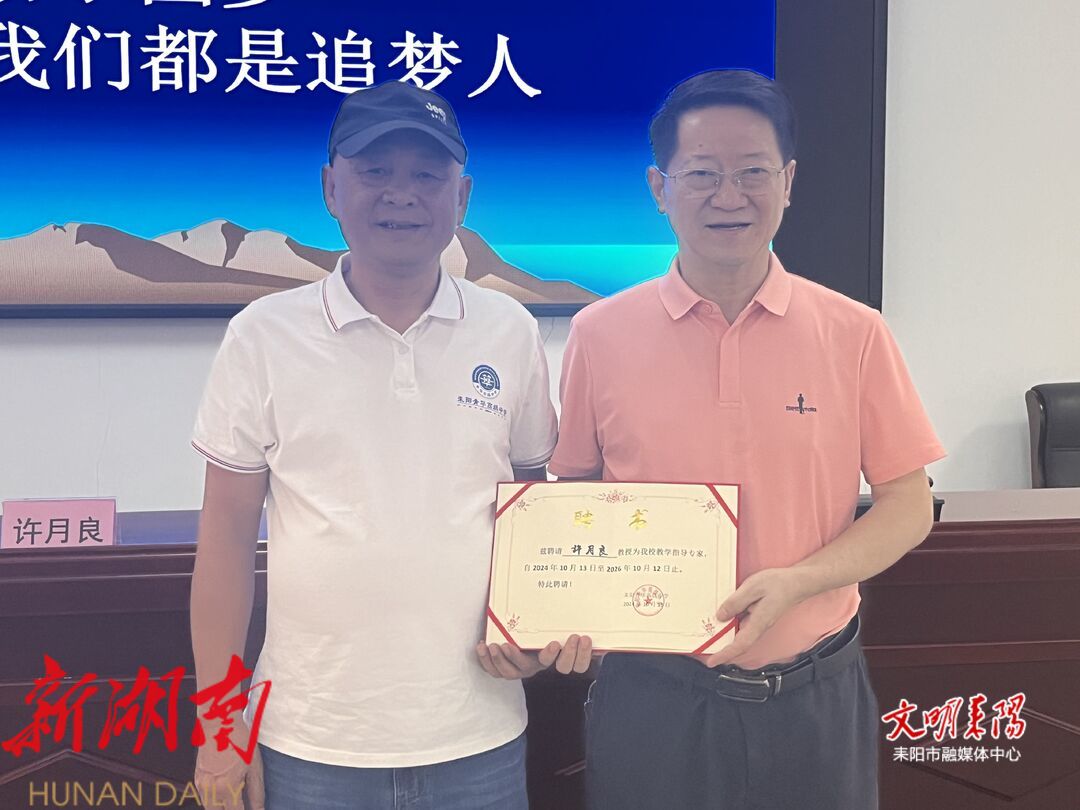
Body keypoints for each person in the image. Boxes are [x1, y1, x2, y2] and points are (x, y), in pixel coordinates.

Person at [545, 70, 946, 809]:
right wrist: (566, 606)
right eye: (701, 173)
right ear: (659, 188)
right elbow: (574, 496)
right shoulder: (599, 335)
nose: (728, 196)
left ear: (788, 182)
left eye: (753, 172)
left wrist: (797, 581)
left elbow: (908, 504)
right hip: (653, 698)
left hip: (812, 693)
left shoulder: (854, 332)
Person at [188, 80, 564, 810]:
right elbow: (226, 537)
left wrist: (534, 622)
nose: (402, 194)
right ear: (331, 188)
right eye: (375, 171)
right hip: (310, 740)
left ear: (462, 197)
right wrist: (221, 730)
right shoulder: (263, 335)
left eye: (427, 175)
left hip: (479, 733)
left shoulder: (510, 331)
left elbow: (531, 509)